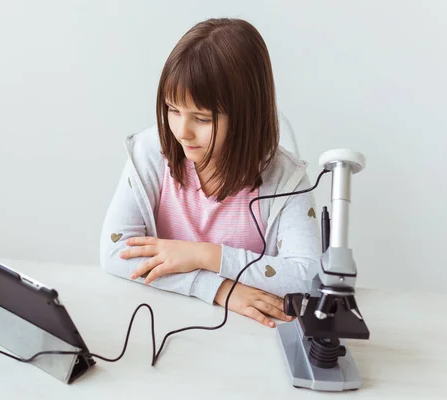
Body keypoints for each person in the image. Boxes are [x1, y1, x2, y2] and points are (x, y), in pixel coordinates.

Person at [99, 18, 321, 328]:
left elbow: (308, 277)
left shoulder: (285, 178)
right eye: (173, 110)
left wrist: (206, 255)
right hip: (163, 322)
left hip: (247, 340)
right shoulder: (151, 151)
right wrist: (218, 288)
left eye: (202, 119)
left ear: (246, 117)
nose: (182, 132)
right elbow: (115, 252)